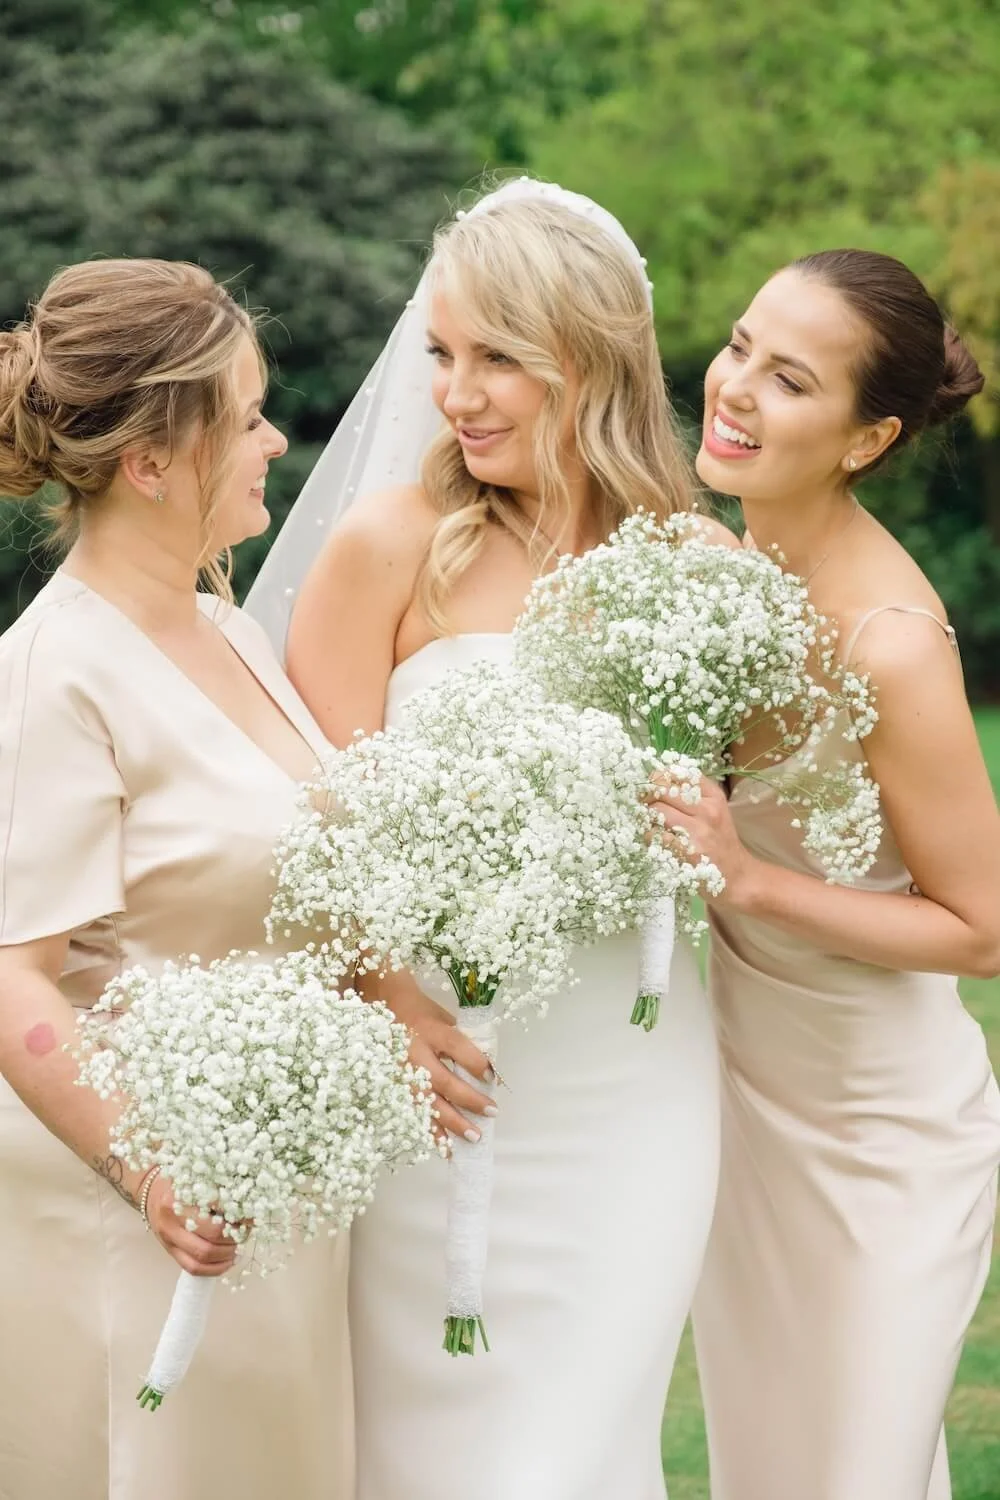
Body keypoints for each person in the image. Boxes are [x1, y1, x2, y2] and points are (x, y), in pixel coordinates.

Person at [247, 178, 722, 1500]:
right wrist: (394, 1004)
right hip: (437, 1073)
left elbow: (737, 820)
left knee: (581, 1449)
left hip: (634, 1078)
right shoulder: (389, 548)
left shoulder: (693, 565)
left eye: (497, 358)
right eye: (442, 354)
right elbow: (309, 830)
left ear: (590, 356)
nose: (457, 394)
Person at [0, 260, 352, 1500]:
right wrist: (152, 1173)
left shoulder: (227, 628)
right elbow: (14, 979)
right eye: (246, 417)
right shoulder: (53, 674)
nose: (274, 440)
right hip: (135, 1218)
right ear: (151, 462)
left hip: (275, 1201)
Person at [665, 248, 1000, 1500]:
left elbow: (982, 929)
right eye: (739, 345)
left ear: (868, 439)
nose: (735, 387)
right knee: (768, 1467)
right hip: (741, 1106)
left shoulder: (890, 645)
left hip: (880, 1134)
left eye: (789, 379)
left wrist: (747, 882)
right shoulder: (711, 574)